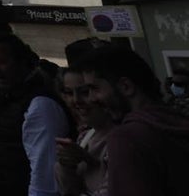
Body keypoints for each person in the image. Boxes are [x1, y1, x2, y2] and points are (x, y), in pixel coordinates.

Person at [77, 46, 189, 195]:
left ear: (126, 86)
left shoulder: (127, 138)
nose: (91, 99)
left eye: (95, 89)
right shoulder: (175, 120)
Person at [55, 66, 113, 196]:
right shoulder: (85, 137)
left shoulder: (121, 139)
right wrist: (67, 166)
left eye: (84, 92)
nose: (76, 100)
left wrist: (89, 160)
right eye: (69, 93)